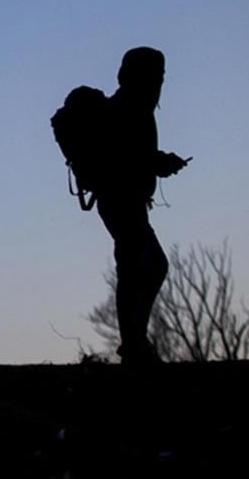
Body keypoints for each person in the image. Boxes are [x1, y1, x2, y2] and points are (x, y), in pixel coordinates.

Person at [94, 47, 188, 364]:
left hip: (125, 200)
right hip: (120, 199)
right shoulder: (129, 108)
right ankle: (133, 344)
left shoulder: (131, 106)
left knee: (146, 266)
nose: (159, 83)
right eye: (156, 76)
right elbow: (126, 156)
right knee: (136, 266)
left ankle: (134, 340)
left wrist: (157, 163)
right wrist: (161, 163)